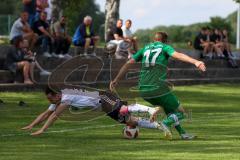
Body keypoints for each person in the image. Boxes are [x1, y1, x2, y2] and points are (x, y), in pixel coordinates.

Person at [110, 31, 206, 140]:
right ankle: (164, 123)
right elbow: (178, 55)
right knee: (181, 113)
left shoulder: (144, 49)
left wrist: (116, 79)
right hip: (158, 89)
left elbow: (128, 63)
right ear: (165, 41)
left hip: (143, 91)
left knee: (169, 110)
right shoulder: (165, 47)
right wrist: (195, 62)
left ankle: (183, 134)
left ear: (154, 40)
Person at [21, 87, 166, 136]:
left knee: (123, 109)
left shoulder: (66, 98)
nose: (50, 102)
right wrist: (32, 125)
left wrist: (43, 130)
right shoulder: (60, 99)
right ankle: (160, 126)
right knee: (130, 121)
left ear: (57, 95)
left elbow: (54, 115)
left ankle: (151, 109)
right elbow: (46, 113)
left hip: (103, 98)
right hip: (103, 106)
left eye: (50, 99)